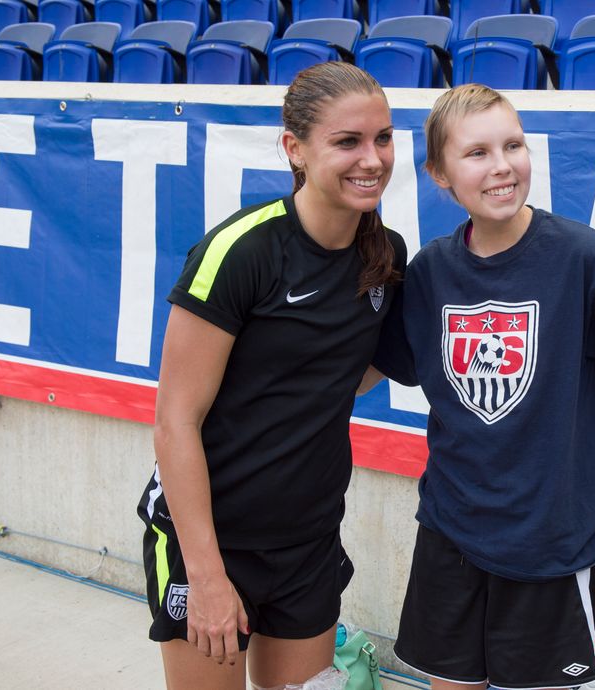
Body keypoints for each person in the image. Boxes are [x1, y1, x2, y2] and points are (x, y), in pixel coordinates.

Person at [370, 84, 595, 689]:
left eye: (513, 146)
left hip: (550, 543)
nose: (502, 166)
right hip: (450, 532)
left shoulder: (583, 258)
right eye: (477, 153)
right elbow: (370, 370)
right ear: (439, 173)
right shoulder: (430, 272)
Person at [136, 62, 406, 690]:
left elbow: (346, 374)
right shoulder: (240, 251)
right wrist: (206, 575)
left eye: (384, 138)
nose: (372, 159)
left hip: (308, 542)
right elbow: (175, 422)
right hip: (210, 543)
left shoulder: (385, 254)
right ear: (295, 149)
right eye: (348, 141)